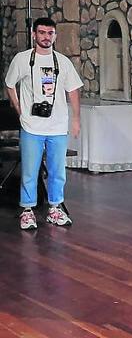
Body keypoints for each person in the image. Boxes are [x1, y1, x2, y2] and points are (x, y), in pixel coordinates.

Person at [4, 17, 83, 230]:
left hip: (57, 125)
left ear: (55, 36)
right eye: (41, 33)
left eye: (50, 33)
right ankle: (27, 210)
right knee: (30, 170)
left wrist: (75, 118)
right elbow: (10, 84)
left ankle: (55, 208)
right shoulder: (22, 59)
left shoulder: (63, 62)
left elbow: (73, 90)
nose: (46, 37)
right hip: (32, 125)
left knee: (58, 171)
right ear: (34, 34)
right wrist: (19, 108)